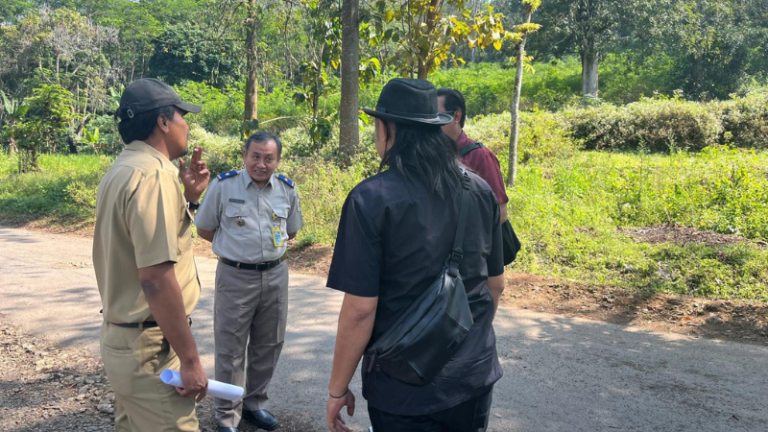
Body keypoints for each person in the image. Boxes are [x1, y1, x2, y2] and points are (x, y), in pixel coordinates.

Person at [325, 78, 505, 432]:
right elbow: (495, 284)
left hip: (402, 386)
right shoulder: (479, 189)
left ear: (386, 129)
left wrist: (337, 389)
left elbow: (360, 311)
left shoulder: (370, 199)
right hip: (473, 377)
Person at [93, 78, 210, 432]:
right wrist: (190, 360)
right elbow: (156, 279)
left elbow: (140, 245)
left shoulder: (122, 170)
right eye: (182, 115)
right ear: (163, 121)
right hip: (150, 349)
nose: (186, 124)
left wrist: (189, 200)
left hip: (124, 341)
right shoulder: (155, 176)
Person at [195, 131, 303, 432]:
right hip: (236, 275)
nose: (261, 164)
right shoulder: (223, 186)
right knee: (230, 347)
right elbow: (204, 229)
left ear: (277, 161)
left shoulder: (286, 189)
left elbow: (291, 231)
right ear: (244, 156)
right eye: (255, 156)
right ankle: (226, 414)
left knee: (269, 344)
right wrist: (236, 250)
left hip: (276, 275)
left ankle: (255, 404)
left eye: (269, 158)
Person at [437, 88, 509, 224]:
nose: (432, 123)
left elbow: (500, 213)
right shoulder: (432, 154)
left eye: (438, 117)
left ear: (456, 116)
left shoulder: (480, 156)